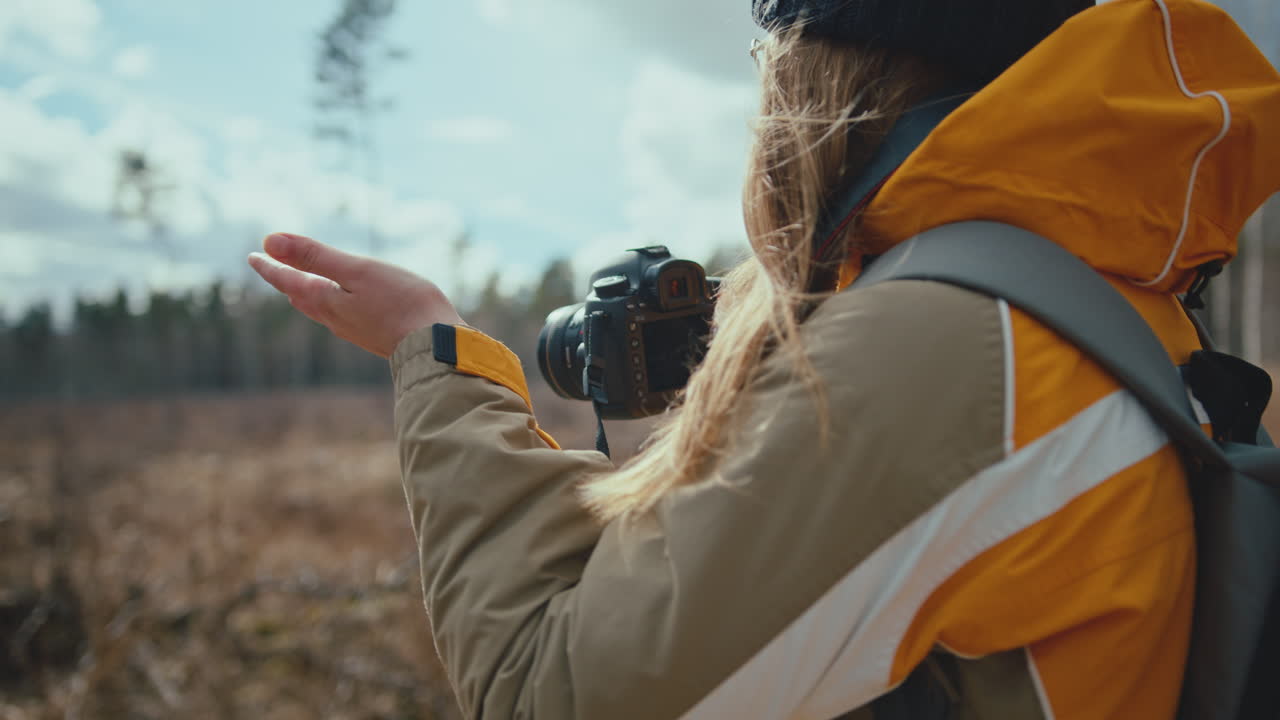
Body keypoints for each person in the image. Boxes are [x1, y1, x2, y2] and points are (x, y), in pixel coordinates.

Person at [247, 0, 1280, 717]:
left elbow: (546, 688)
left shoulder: (939, 352)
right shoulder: (1101, 292)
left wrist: (434, 352)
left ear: (819, 75)